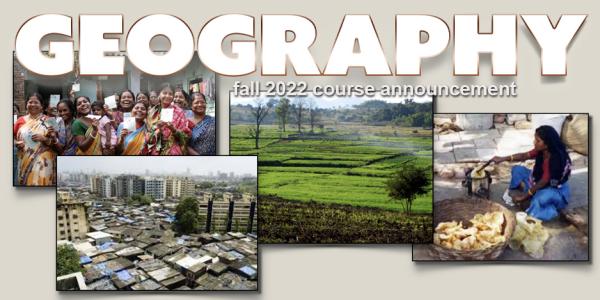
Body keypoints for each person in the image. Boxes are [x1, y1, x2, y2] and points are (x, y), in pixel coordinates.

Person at [491, 125, 572, 221]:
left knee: (537, 202)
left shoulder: (555, 159)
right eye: (535, 139)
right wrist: (502, 158)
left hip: (553, 189)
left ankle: (550, 211)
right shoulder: (542, 150)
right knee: (517, 170)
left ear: (547, 145)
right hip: (537, 180)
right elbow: (524, 155)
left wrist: (524, 197)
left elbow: (544, 181)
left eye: (538, 141)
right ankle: (525, 194)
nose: (534, 142)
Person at [13, 93, 58, 186]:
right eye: (30, 102)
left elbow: (58, 144)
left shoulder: (51, 120)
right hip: (24, 160)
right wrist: (16, 143)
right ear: (26, 105)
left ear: (42, 106)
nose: (33, 104)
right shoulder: (20, 120)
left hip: (44, 163)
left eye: (36, 102)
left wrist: (45, 139)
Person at [148, 84, 191, 155]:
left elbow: (186, 137)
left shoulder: (179, 112)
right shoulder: (152, 112)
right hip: (155, 151)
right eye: (164, 93)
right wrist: (158, 129)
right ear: (159, 94)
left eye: (170, 94)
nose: (167, 96)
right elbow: (146, 136)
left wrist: (173, 129)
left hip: (173, 152)